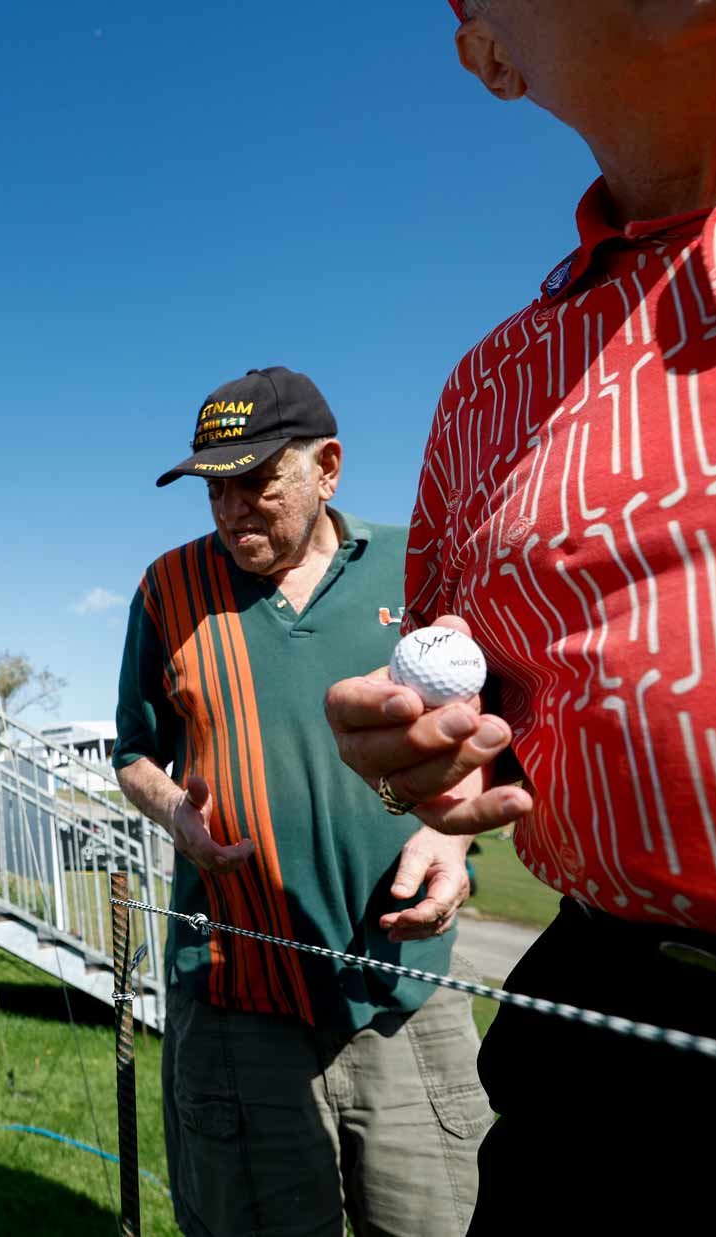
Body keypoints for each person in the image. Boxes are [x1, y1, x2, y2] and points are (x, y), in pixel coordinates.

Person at [325, 2, 716, 1229]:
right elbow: (482, 716)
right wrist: (430, 765)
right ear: (490, 54)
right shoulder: (489, 384)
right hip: (600, 1064)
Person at [114, 367, 488, 1237]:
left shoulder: (419, 565)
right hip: (237, 1003)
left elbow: (481, 744)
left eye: (256, 481)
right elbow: (133, 755)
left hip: (407, 998)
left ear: (328, 466)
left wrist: (452, 841)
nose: (232, 510)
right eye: (214, 488)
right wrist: (177, 815)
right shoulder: (167, 589)